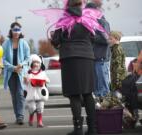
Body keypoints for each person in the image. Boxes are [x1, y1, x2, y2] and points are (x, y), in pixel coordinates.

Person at [50, 0, 105, 134]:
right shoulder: (87, 18)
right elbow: (93, 37)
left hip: (69, 59)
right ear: (81, 4)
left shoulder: (63, 20)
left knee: (74, 94)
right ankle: (93, 129)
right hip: (86, 57)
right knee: (88, 93)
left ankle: (78, 129)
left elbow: (56, 41)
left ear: (67, 5)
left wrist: (55, 38)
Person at [2, 22, 30, 125]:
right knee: (14, 95)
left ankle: (20, 116)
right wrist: (13, 68)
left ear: (20, 31)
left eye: (18, 30)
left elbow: (28, 58)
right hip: (10, 73)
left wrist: (21, 65)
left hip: (21, 72)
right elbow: (2, 59)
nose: (16, 32)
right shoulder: (5, 44)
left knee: (20, 94)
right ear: (11, 30)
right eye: (14, 30)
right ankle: (17, 115)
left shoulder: (24, 43)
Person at [86, 0, 111, 98]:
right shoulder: (91, 23)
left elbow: (106, 40)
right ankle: (99, 111)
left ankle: (107, 111)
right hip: (94, 58)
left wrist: (92, 37)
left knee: (103, 89)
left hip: (101, 59)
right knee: (97, 89)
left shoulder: (102, 22)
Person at [24, 54, 49, 128]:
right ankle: (31, 116)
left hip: (40, 93)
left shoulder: (42, 73)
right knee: (32, 108)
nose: (36, 64)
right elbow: (25, 82)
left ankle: (39, 121)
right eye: (34, 62)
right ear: (31, 63)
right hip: (31, 93)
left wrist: (44, 80)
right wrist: (26, 80)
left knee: (40, 107)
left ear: (40, 64)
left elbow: (47, 80)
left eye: (38, 63)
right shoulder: (28, 73)